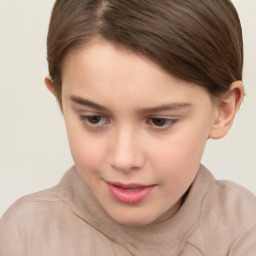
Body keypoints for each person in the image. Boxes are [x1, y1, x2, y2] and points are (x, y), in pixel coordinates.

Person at [0, 0, 255, 255]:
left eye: (159, 121)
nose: (124, 159)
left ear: (222, 111)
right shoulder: (24, 237)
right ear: (60, 99)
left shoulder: (244, 228)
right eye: (94, 119)